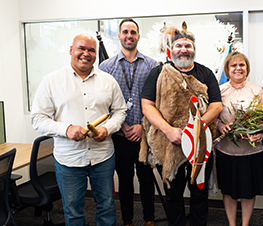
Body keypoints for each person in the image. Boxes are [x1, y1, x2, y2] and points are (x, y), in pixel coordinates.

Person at [30, 34, 127, 226]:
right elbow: (38, 119)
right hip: (68, 159)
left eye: (91, 50)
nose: (86, 53)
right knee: (73, 211)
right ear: (71, 50)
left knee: (107, 206)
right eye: (81, 48)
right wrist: (66, 129)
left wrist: (107, 129)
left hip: (103, 157)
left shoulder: (108, 81)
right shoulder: (51, 81)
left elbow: (120, 111)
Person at [140, 22, 222, 226]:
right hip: (170, 142)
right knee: (173, 194)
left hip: (201, 141)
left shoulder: (205, 73)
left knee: (199, 192)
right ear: (171, 49)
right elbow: (147, 106)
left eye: (188, 46)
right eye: (179, 46)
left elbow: (217, 105)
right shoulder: (158, 73)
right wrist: (169, 131)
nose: (183, 50)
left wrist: (197, 128)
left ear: (194, 49)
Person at [99, 18, 157, 226]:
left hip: (145, 135)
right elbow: (101, 102)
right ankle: (128, 221)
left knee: (147, 180)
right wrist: (119, 124)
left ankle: (149, 219)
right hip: (119, 136)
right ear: (119, 36)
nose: (129, 35)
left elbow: (157, 101)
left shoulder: (152, 65)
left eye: (133, 32)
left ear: (138, 37)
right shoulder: (106, 67)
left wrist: (143, 125)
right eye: (125, 32)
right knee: (124, 181)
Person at [215, 51, 263, 226]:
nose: (238, 68)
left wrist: (259, 132)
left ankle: (245, 224)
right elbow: (213, 118)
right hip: (226, 149)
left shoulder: (257, 90)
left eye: (241, 65)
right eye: (234, 65)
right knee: (228, 190)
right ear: (227, 69)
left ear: (247, 68)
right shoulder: (219, 91)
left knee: (248, 190)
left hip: (251, 151)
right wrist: (221, 126)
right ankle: (231, 224)